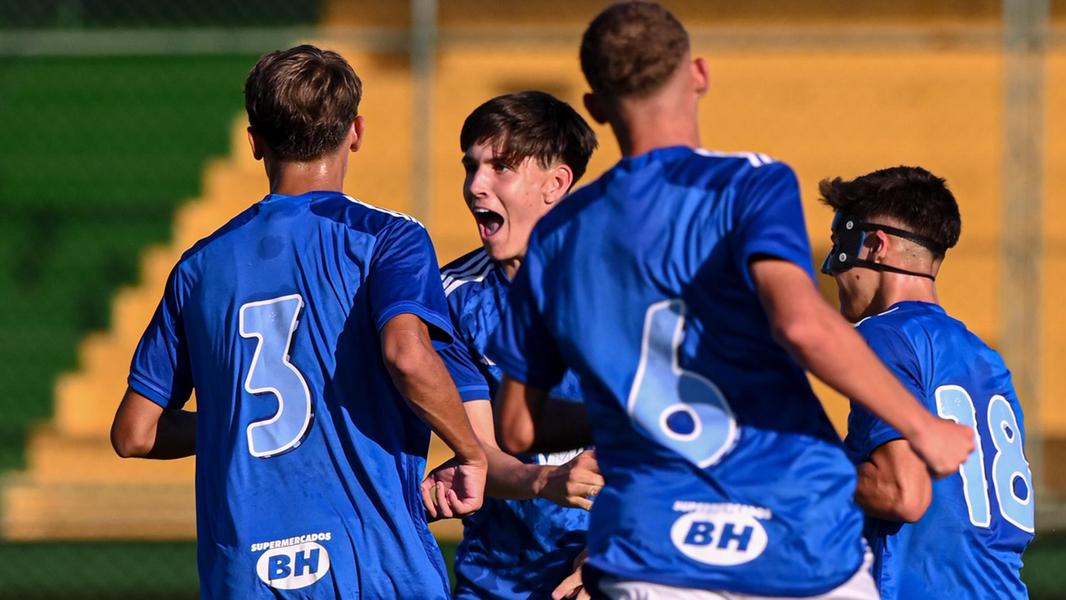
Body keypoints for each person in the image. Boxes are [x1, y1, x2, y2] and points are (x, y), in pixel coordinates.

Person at [486, 2, 975, 598]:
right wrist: (924, 429)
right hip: (794, 539)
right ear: (698, 75)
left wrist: (641, 406)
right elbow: (801, 324)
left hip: (651, 552)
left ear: (594, 107)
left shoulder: (558, 236)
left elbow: (516, 425)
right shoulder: (749, 183)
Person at [108, 45, 486, 599]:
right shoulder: (388, 237)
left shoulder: (199, 266)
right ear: (355, 131)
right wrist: (471, 450)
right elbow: (407, 355)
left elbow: (134, 433)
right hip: (372, 561)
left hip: (244, 571)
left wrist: (238, 418)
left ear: (255, 140)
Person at [820, 166, 1035, 599]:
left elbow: (901, 493)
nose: (831, 271)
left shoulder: (883, 335)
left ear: (875, 246)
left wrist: (800, 471)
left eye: (838, 244)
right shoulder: (984, 357)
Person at [424, 91, 603, 600]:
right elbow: (479, 449)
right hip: (497, 581)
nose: (475, 185)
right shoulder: (449, 298)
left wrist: (609, 556)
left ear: (556, 183)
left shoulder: (633, 286)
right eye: (471, 166)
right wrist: (546, 480)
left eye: (501, 167)